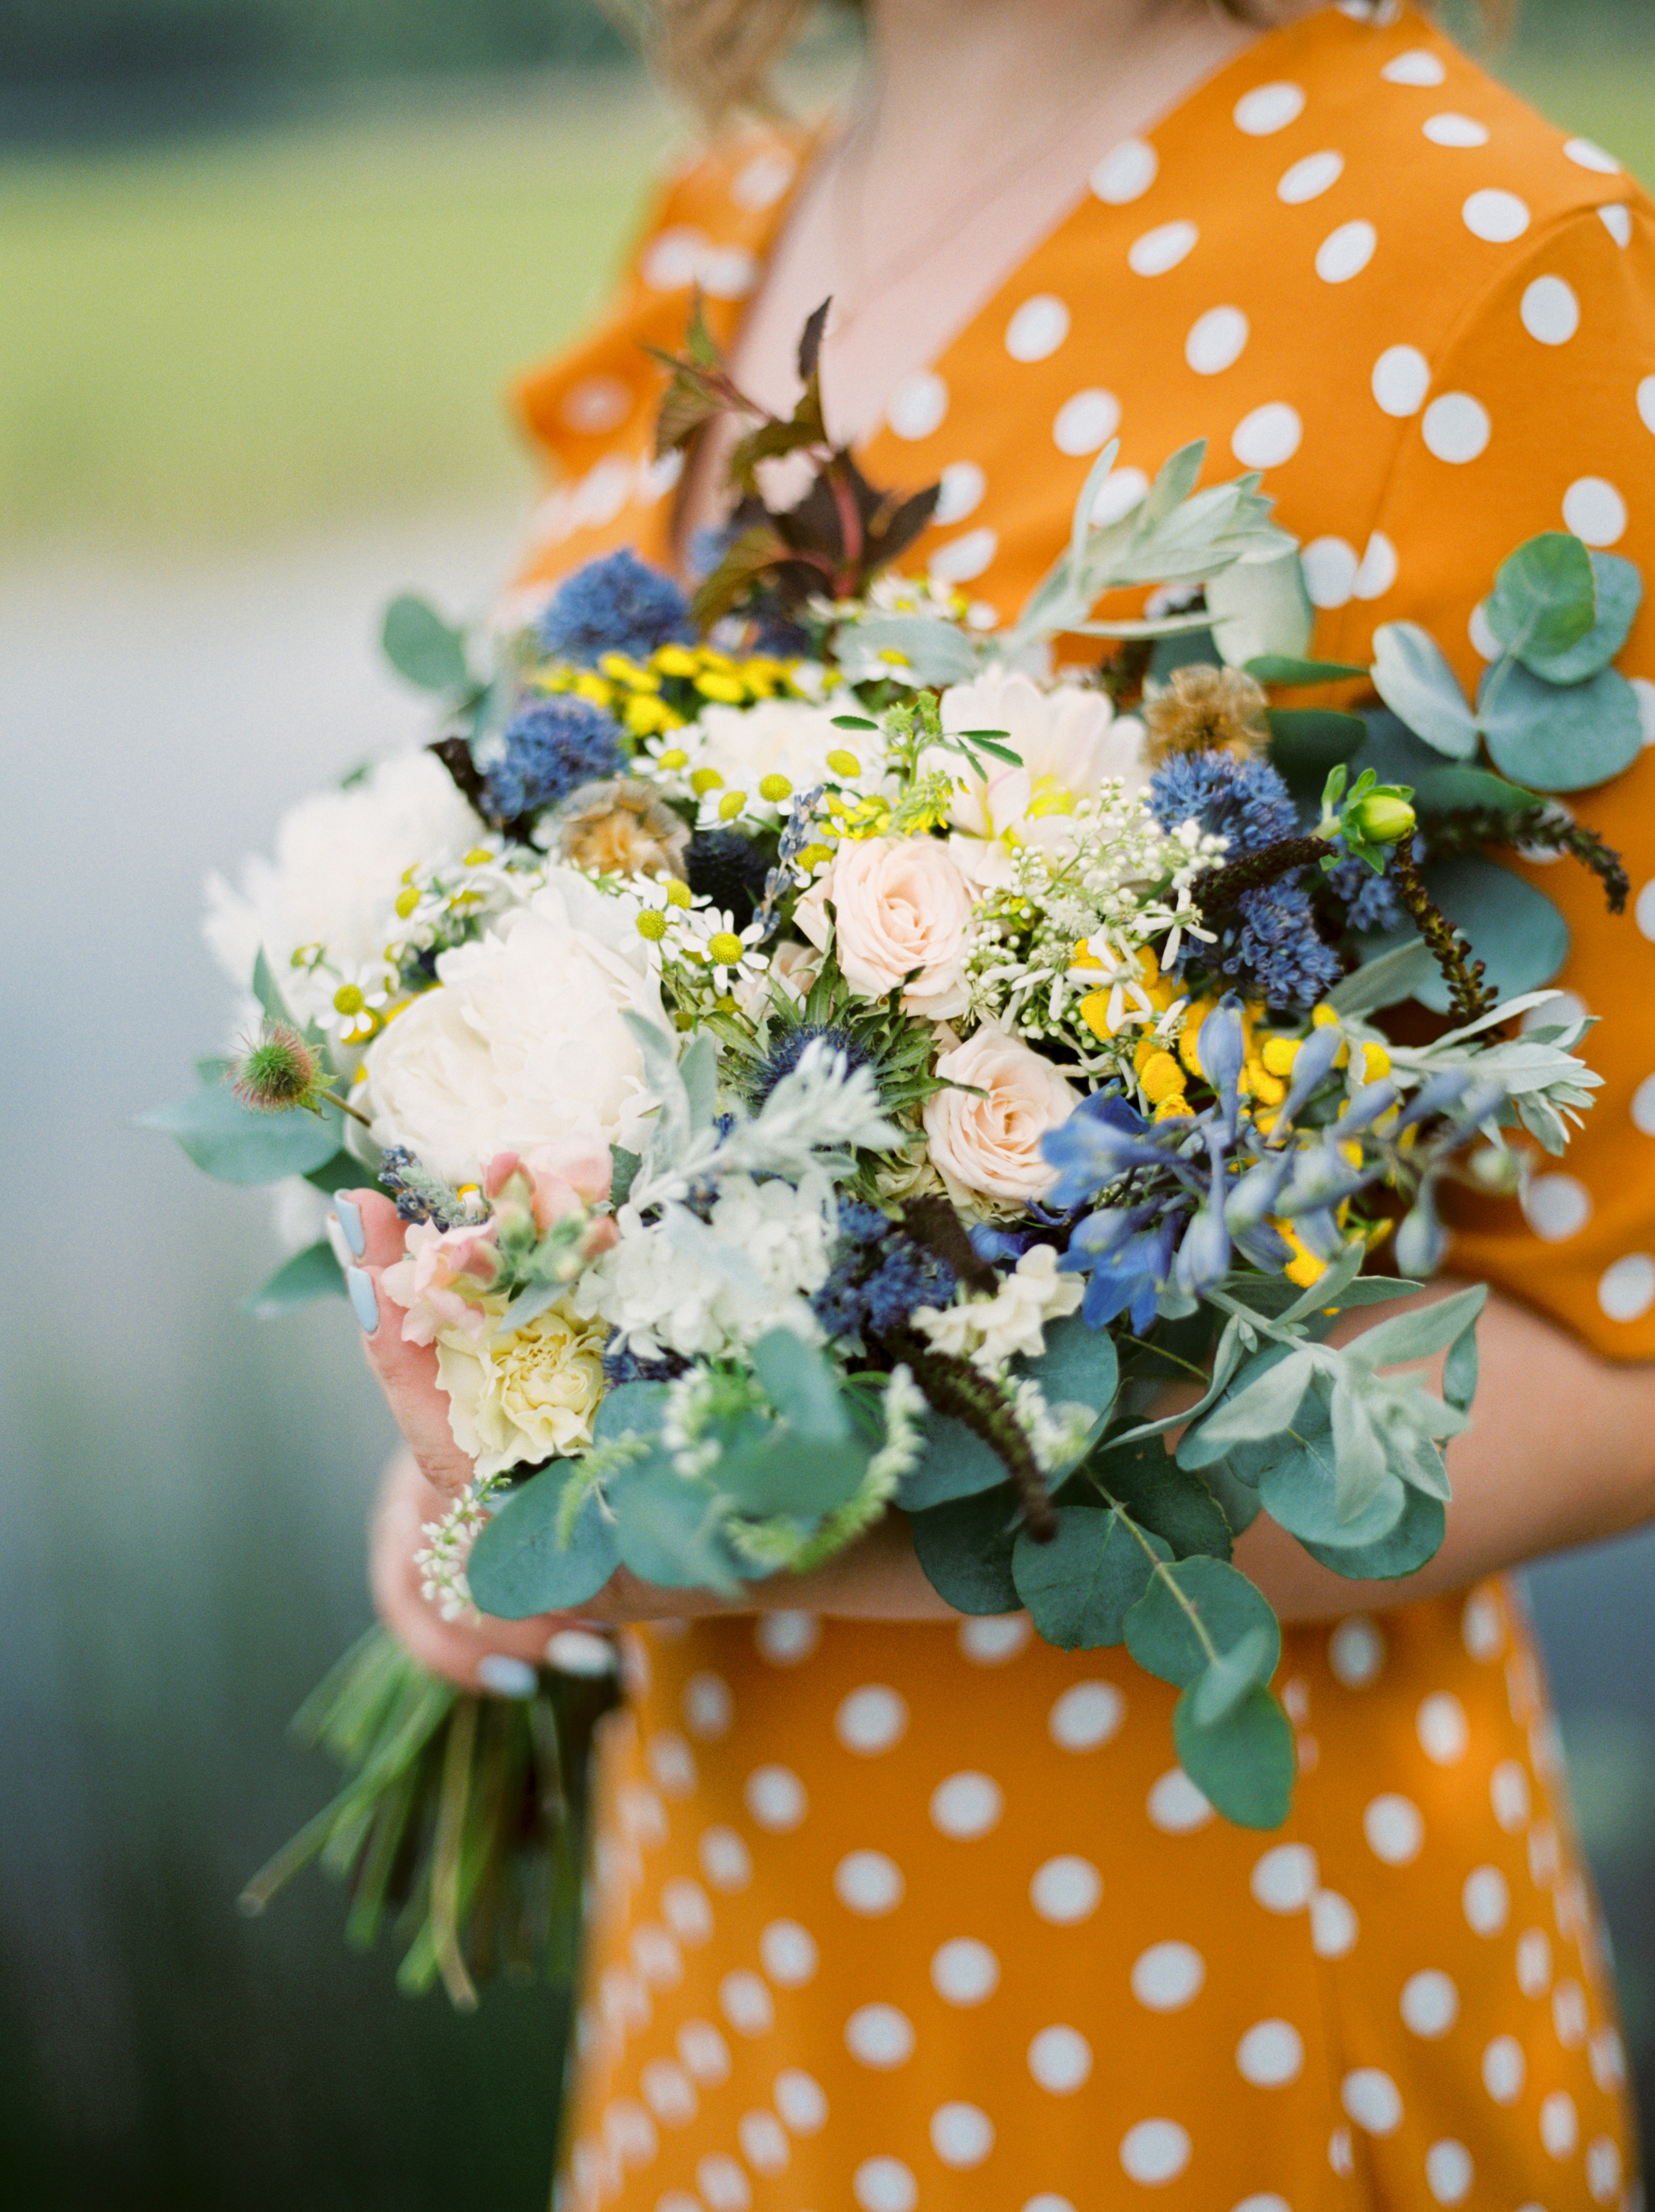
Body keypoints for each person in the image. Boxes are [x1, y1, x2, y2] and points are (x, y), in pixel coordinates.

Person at [341, 1, 1655, 2202]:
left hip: (1206, 1994)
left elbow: (1625, 1359)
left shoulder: (1489, 262)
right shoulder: (731, 229)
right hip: (730, 1966)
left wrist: (739, 1523)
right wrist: (501, 1457)